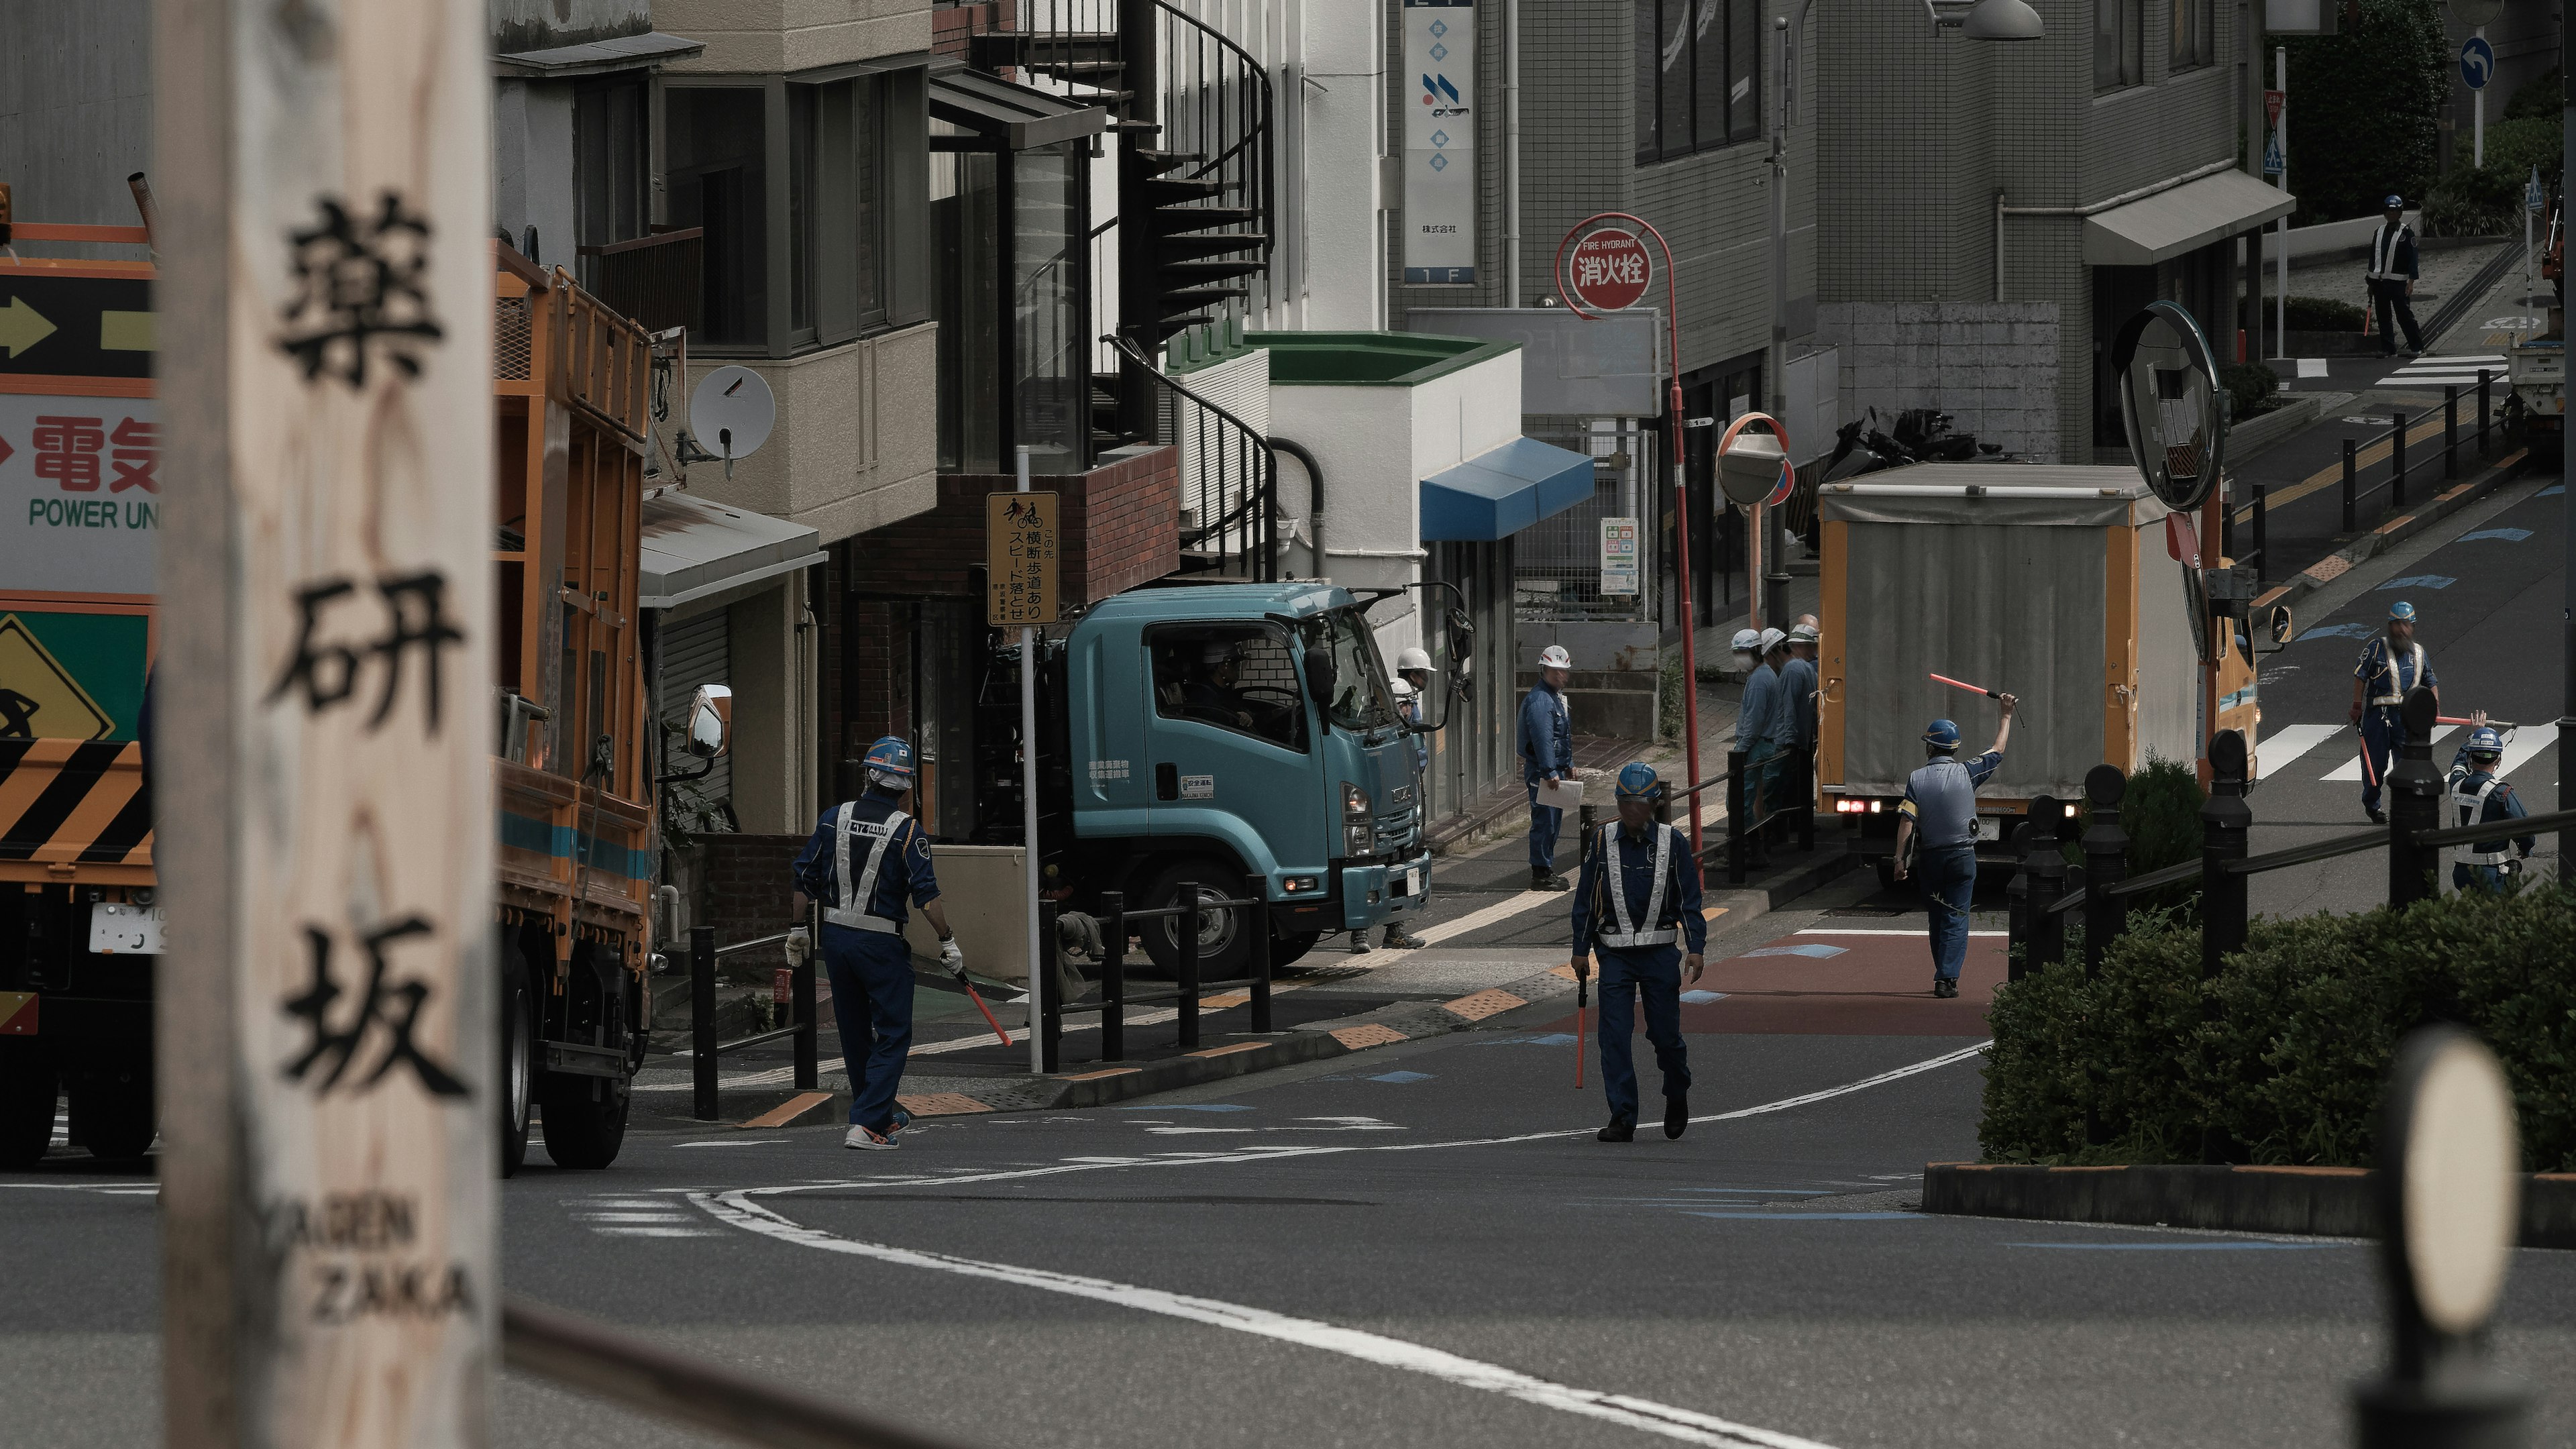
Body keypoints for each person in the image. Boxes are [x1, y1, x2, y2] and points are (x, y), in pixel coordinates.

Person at [789, 736, 961, 1150]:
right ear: (905, 787)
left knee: (854, 1032)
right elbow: (927, 897)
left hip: (835, 940)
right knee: (894, 1032)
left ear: (869, 774)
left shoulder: (833, 818)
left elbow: (803, 878)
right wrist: (947, 941)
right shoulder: (908, 832)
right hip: (880, 944)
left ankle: (880, 1117)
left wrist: (797, 930)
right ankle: (865, 1125)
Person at [1569, 762, 1706, 1143]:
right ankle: (1623, 1116)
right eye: (1625, 802)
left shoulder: (1672, 842)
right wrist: (1580, 948)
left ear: (1654, 803)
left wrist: (1696, 947)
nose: (1632, 810)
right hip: (1614, 956)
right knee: (1613, 1035)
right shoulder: (1601, 840)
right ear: (1617, 802)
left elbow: (1689, 901)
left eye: (1640, 803)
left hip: (1660, 956)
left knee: (1665, 1037)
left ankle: (1677, 1091)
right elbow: (1585, 899)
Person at [1892, 700, 2016, 999]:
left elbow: (1907, 823)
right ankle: (1947, 978)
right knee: (1957, 915)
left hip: (1931, 858)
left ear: (1930, 748)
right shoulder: (1967, 772)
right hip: (1963, 857)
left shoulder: (1916, 779)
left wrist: (1900, 860)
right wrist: (2006, 715)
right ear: (1954, 748)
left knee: (1937, 915)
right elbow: (1997, 751)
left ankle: (1942, 973)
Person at [1358, 671, 1432, 953]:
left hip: (1402, 807)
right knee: (1367, 865)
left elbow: (1420, 760)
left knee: (1406, 865)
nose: (1411, 709)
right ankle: (1360, 933)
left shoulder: (1405, 730)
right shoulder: (1369, 730)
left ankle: (1396, 930)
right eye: (1407, 705)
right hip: (1377, 808)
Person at [2351, 600, 2438, 823]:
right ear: (2390, 626)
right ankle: (2372, 805)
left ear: (2413, 627)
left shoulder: (2419, 653)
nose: (2402, 629)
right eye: (2398, 624)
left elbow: (2430, 680)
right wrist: (2357, 706)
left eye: (2407, 624)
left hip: (2406, 720)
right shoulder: (2376, 648)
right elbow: (2360, 677)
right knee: (2374, 768)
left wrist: (2434, 709)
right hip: (2377, 719)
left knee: (2407, 766)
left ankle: (2404, 809)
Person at [2445, 716, 2534, 894]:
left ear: (2471, 756)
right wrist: (2525, 849)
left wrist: (2474, 736)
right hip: (2492, 873)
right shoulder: (2502, 792)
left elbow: (2457, 765)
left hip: (2462, 872)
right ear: (2498, 759)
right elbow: (2526, 830)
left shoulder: (2456, 784)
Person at [1520, 643, 1577, 891]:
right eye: (1554, 671)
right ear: (1543, 670)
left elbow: (1561, 737)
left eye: (1562, 671)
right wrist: (1550, 770)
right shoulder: (1541, 701)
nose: (1560, 675)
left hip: (1551, 770)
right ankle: (1541, 873)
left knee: (1553, 820)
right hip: (1543, 772)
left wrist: (1568, 764)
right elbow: (1543, 739)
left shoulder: (1552, 697)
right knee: (1545, 821)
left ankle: (1546, 869)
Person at [1735, 628, 1786, 861]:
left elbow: (1753, 724)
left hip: (1755, 746)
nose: (1739, 657)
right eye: (1736, 653)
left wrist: (1740, 751)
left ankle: (1747, 852)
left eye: (1743, 652)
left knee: (1738, 801)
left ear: (1756, 651)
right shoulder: (1766, 674)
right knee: (1750, 799)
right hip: (1766, 743)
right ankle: (1753, 850)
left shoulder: (1758, 681)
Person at [2367, 195, 2425, 359]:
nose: (2391, 214)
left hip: (2399, 283)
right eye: (2388, 211)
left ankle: (2417, 347)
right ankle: (2388, 349)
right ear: (2384, 213)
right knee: (2383, 317)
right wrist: (2370, 283)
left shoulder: (2406, 233)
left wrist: (2411, 282)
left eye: (2395, 212)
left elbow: (2412, 259)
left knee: (2404, 316)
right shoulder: (2378, 232)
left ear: (2400, 213)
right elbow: (2373, 258)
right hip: (2379, 283)